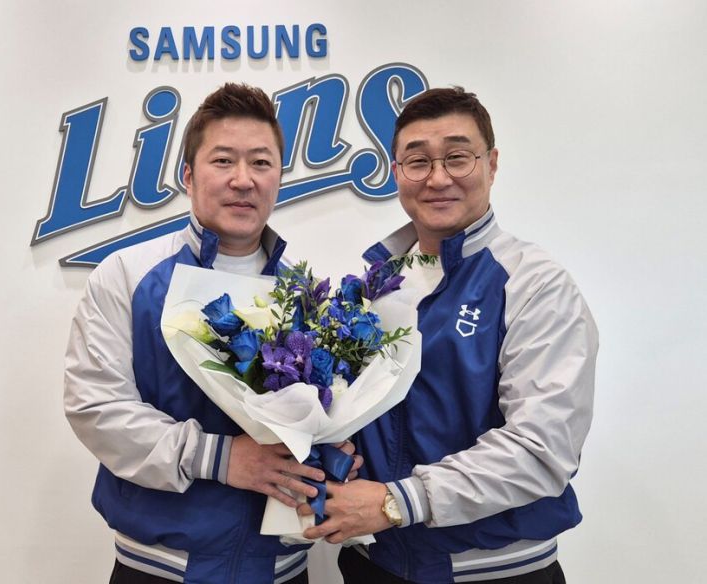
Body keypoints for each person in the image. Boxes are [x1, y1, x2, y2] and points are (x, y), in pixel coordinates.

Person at [299, 87, 599, 584]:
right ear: (396, 172)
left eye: (457, 157)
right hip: (374, 565)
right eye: (418, 161)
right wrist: (334, 456)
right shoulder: (373, 284)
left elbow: (542, 449)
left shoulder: (534, 284)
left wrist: (398, 501)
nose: (438, 178)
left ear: (491, 164)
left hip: (493, 571)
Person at [64, 83, 353, 584]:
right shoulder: (128, 274)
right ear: (188, 175)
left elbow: (320, 416)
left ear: (279, 177)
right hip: (159, 567)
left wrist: (334, 452)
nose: (243, 179)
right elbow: (96, 407)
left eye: (261, 163)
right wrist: (220, 458)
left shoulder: (305, 296)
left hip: (282, 570)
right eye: (223, 161)